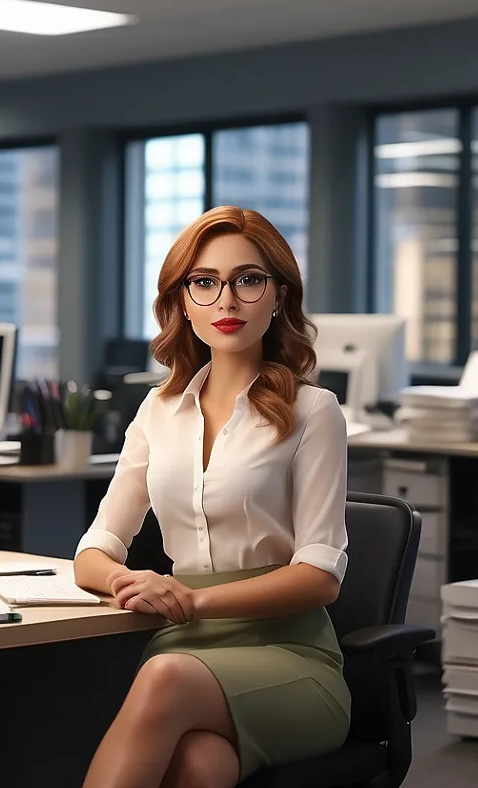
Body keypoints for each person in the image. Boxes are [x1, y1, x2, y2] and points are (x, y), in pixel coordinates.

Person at [73, 206, 352, 788]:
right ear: (182, 300)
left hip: (290, 655)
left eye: (248, 280)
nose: (227, 300)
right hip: (186, 647)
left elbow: (321, 576)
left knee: (165, 678)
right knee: (202, 764)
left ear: (278, 296)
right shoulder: (157, 410)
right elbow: (95, 551)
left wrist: (192, 602)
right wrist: (132, 583)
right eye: (205, 282)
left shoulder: (313, 412)